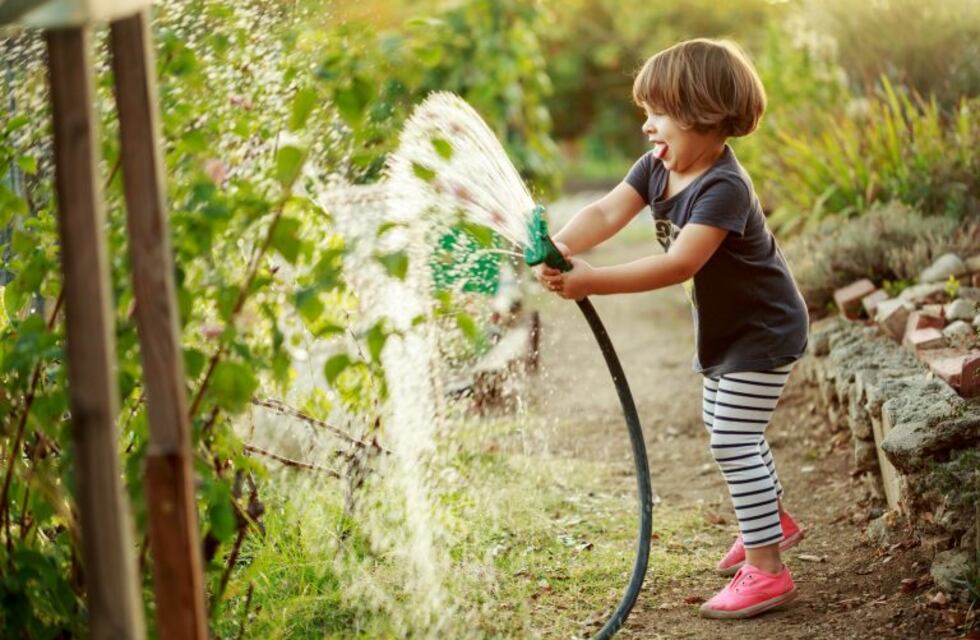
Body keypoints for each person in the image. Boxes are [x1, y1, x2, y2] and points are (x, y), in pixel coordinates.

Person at [535, 38, 810, 619]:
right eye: (646, 112)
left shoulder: (723, 187)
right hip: (727, 329)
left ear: (703, 114)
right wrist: (560, 245)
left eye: (658, 113)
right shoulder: (657, 168)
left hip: (763, 330)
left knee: (732, 436)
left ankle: (767, 569)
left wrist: (593, 281)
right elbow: (606, 212)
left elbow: (680, 264)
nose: (646, 126)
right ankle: (770, 521)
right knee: (725, 424)